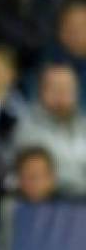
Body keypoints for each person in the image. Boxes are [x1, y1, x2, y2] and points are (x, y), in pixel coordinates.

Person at [15, 64, 86, 196]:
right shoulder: (28, 128)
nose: (62, 96)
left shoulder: (83, 124)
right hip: (50, 202)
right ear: (41, 91)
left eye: (67, 89)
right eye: (55, 89)